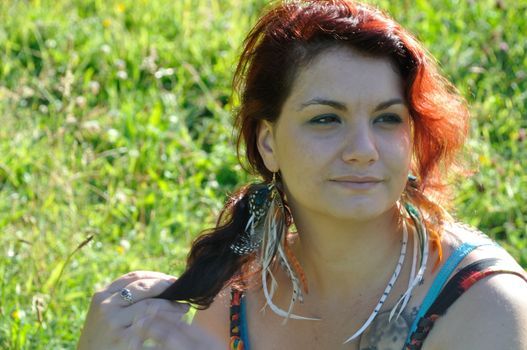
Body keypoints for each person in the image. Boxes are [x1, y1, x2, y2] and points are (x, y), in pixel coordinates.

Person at [77, 1, 527, 349]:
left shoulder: (481, 306)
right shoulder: (240, 291)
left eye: (387, 119)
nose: (363, 151)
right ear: (268, 142)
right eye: (326, 119)